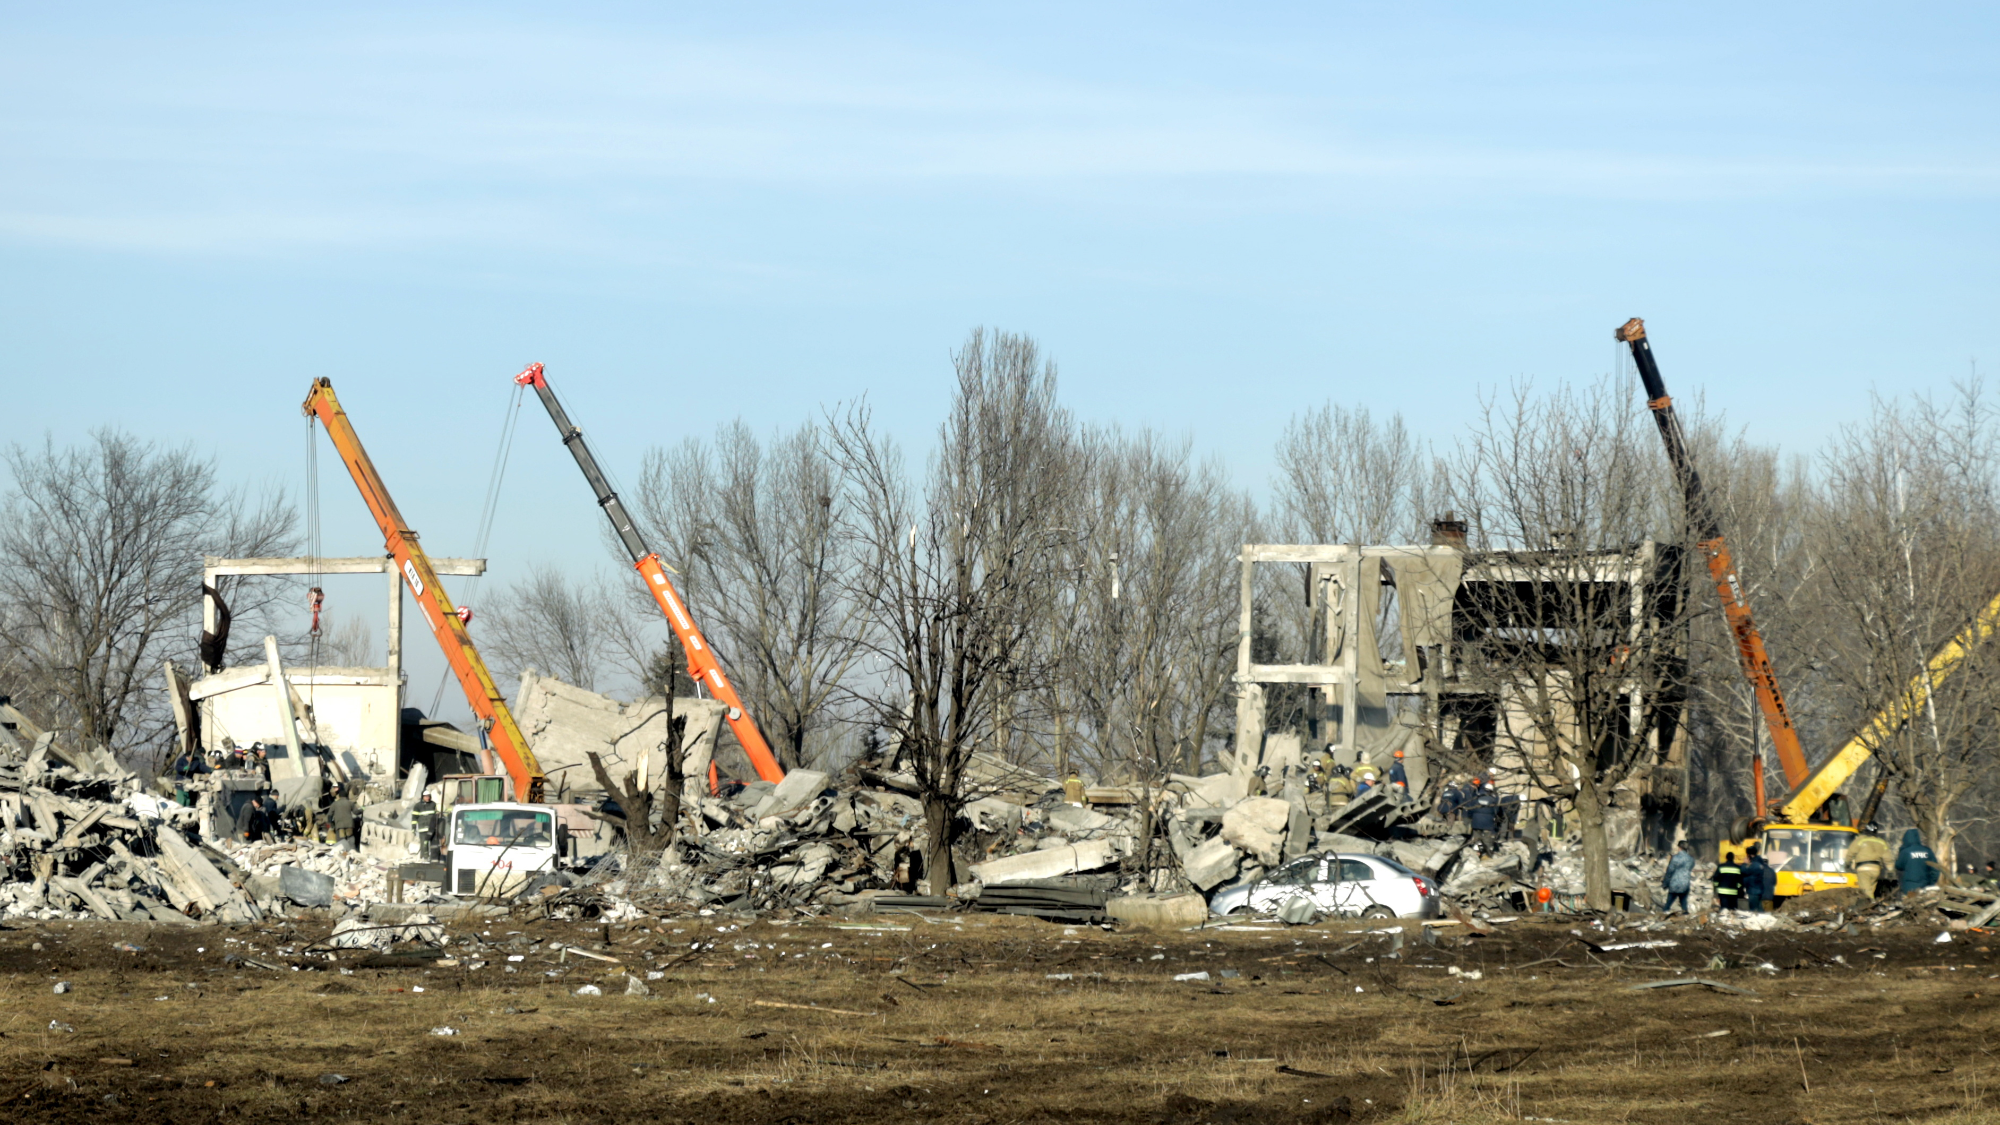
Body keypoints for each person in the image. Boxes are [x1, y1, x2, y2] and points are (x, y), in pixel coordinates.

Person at [1847, 823, 1892, 898]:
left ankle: (1870, 904)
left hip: (1863, 869)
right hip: (1876, 869)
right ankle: (1871, 903)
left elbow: (1850, 854)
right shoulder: (1881, 842)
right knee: (1871, 890)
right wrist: (1890, 870)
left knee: (1865, 891)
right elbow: (1888, 859)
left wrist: (1847, 864)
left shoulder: (1860, 840)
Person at [1896, 828, 1941, 893]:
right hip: (1925, 885)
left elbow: (1898, 866)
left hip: (1909, 886)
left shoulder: (1905, 851)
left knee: (1909, 902)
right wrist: (1931, 882)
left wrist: (1901, 851)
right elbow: (1935, 869)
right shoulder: (1927, 851)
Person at [1659, 839, 1695, 914]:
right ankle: (1685, 916)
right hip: (1685, 884)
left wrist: (1665, 884)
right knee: (1684, 902)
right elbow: (1689, 869)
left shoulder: (1675, 858)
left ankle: (1664, 914)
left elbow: (1669, 872)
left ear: (1679, 847)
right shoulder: (1691, 859)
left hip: (1675, 883)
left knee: (1668, 903)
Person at [1468, 782, 1501, 853]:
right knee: (1487, 838)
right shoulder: (1493, 800)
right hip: (1488, 823)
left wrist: (1471, 817)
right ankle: (1487, 852)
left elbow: (1471, 809)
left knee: (1476, 837)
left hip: (1476, 821)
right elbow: (1497, 811)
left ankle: (1475, 851)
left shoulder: (1477, 798)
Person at [1744, 846, 1777, 912]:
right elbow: (1774, 882)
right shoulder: (1772, 871)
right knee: (1768, 916)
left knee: (1757, 914)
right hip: (1769, 897)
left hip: (1758, 896)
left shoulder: (1755, 867)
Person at [329, 787, 358, 853]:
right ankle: (353, 852)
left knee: (341, 841)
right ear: (346, 796)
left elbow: (329, 815)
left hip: (339, 826)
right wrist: (363, 808)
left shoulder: (335, 804)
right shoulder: (350, 803)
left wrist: (332, 824)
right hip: (349, 825)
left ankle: (342, 853)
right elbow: (356, 812)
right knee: (350, 839)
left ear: (339, 796)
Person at [412, 793, 439, 861]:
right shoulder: (417, 806)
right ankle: (424, 857)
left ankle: (434, 858)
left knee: (434, 844)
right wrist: (413, 828)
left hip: (432, 829)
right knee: (424, 844)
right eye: (426, 796)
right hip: (422, 829)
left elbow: (437, 815)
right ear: (422, 797)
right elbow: (414, 818)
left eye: (429, 796)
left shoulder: (433, 804)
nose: (428, 798)